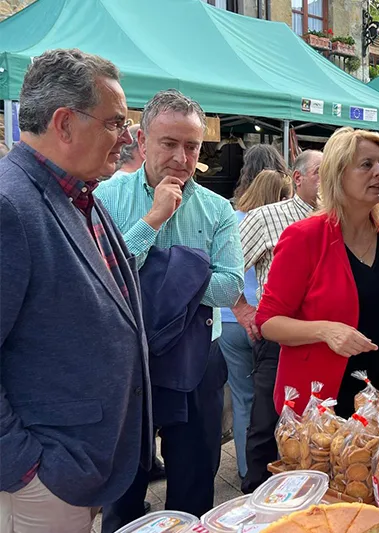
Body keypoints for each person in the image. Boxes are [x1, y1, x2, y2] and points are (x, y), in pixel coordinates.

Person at [0, 49, 149, 533]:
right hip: (43, 483)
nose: (126, 139)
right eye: (115, 123)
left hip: (82, 471)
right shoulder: (11, 205)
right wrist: (28, 470)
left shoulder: (79, 194)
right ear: (64, 123)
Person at [96, 89, 244, 530]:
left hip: (198, 358)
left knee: (194, 484)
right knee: (122, 490)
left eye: (192, 146)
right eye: (169, 143)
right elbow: (103, 277)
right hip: (128, 358)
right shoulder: (108, 196)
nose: (182, 157)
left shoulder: (218, 209)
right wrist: (154, 222)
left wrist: (160, 275)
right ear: (142, 141)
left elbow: (230, 286)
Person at [255, 128, 379, 419]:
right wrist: (325, 330)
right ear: (337, 175)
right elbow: (267, 322)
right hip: (323, 401)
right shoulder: (304, 237)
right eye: (367, 164)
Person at [237, 149, 323, 493]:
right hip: (280, 336)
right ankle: (255, 493)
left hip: (327, 338)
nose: (326, 178)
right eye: (319, 172)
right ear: (297, 179)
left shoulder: (343, 217)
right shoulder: (267, 216)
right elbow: (228, 266)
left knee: (316, 426)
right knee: (267, 422)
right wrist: (243, 309)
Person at [218, 169, 291, 484]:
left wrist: (239, 308)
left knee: (243, 398)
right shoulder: (283, 220)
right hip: (268, 323)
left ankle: (249, 470)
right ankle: (274, 466)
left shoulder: (234, 218)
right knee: (273, 400)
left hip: (232, 321)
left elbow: (225, 266)